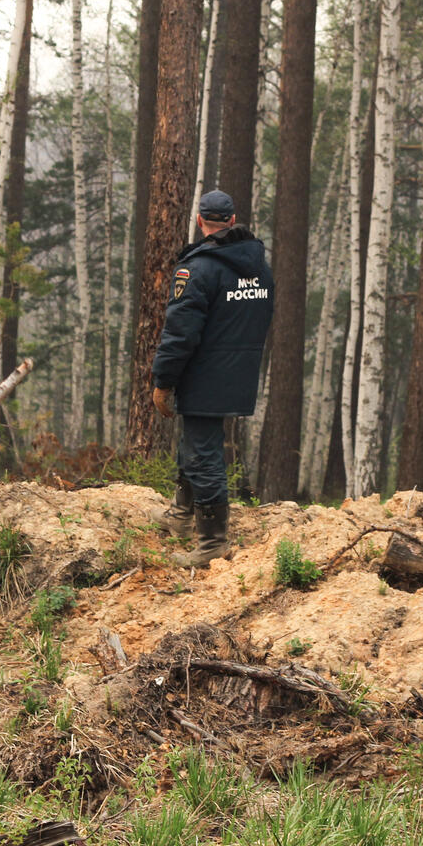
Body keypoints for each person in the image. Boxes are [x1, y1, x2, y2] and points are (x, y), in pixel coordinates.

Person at [150, 189, 274, 568]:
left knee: (203, 453)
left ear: (201, 221)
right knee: (195, 441)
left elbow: (179, 333)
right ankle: (180, 514)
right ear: (232, 221)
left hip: (204, 372)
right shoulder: (259, 268)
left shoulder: (197, 269)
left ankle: (212, 541)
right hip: (239, 370)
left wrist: (163, 380)